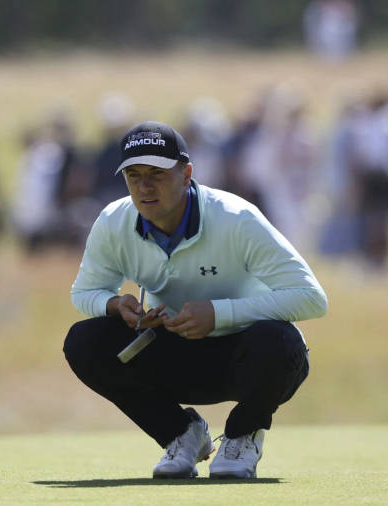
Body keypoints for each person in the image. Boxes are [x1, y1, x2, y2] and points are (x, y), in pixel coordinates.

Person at [63, 121, 327, 479]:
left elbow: (311, 298)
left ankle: (242, 435)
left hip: (246, 359)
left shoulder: (236, 218)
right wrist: (115, 305)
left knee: (281, 342)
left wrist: (219, 314)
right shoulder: (114, 221)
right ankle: (181, 434)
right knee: (84, 341)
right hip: (170, 355)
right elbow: (84, 292)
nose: (144, 186)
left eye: (157, 173)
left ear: (186, 174)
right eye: (134, 175)